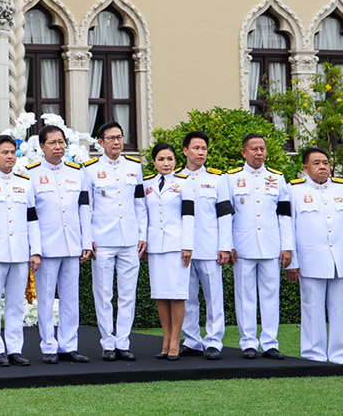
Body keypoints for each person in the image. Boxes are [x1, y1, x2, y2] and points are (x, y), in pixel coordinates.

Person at [285, 147, 343, 372]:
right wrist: (293, 261)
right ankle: (313, 356)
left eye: (325, 162)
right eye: (316, 163)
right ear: (305, 168)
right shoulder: (293, 190)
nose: (323, 166)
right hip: (309, 259)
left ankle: (341, 356)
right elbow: (289, 227)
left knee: (339, 309)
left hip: (339, 260)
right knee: (312, 308)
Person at [27, 125, 91, 365]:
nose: (58, 147)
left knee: (70, 298)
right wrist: (34, 249)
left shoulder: (77, 172)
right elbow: (31, 216)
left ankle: (69, 345)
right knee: (45, 299)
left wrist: (86, 242)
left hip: (72, 245)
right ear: (42, 146)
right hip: (46, 247)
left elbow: (84, 209)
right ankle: (49, 346)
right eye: (52, 143)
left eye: (61, 142)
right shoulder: (31, 174)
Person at [81, 122, 145, 362]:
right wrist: (88, 239)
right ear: (100, 142)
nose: (116, 142)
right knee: (104, 293)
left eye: (119, 137)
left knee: (128, 294)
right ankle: (108, 342)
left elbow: (140, 205)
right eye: (111, 138)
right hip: (103, 241)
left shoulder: (134, 168)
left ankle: (123, 342)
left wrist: (142, 236)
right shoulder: (89, 170)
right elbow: (86, 208)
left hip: (129, 239)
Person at [225, 132, 293, 360]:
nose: (259, 152)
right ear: (244, 152)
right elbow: (227, 215)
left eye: (262, 148)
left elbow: (284, 215)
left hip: (271, 246)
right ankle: (248, 342)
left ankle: (270, 342)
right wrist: (228, 244)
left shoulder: (277, 178)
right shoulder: (231, 178)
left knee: (271, 295)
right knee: (245, 295)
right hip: (242, 246)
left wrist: (287, 246)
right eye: (254, 149)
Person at [0, 135, 41, 367]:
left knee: (16, 304)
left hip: (19, 252)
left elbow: (32, 219)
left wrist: (35, 251)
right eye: (4, 152)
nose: (10, 156)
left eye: (13, 152)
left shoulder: (24, 183)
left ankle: (15, 348)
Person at [177, 131, 233, 360]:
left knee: (213, 296)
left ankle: (213, 341)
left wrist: (225, 246)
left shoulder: (218, 179)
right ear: (185, 150)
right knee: (187, 296)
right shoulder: (176, 178)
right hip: (184, 248)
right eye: (196, 148)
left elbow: (225, 214)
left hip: (210, 246)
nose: (201, 153)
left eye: (204, 149)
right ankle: (191, 340)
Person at [140, 143, 195, 360]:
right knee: (161, 295)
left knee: (177, 294)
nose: (166, 163)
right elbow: (143, 215)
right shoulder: (147, 185)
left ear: (176, 161)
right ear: (154, 162)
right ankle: (165, 339)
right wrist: (143, 242)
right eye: (161, 159)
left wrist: (187, 245)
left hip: (176, 246)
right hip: (155, 246)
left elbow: (189, 215)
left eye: (170, 159)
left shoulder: (184, 183)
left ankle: (175, 341)